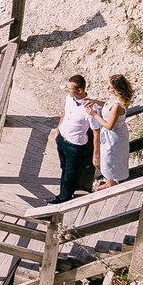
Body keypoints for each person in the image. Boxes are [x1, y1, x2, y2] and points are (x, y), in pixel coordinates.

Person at [55, 75, 98, 203]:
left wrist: (96, 154)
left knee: (70, 172)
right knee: (64, 168)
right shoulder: (69, 98)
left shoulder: (89, 108)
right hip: (62, 139)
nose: (67, 90)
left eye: (70, 88)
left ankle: (63, 199)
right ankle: (63, 192)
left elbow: (96, 131)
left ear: (79, 90)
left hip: (75, 145)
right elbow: (65, 112)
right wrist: (58, 129)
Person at [99, 74, 133, 185]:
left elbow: (109, 125)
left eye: (110, 87)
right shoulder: (117, 100)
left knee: (111, 158)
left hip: (114, 135)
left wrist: (94, 114)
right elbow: (107, 107)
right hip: (114, 133)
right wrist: (95, 102)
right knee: (107, 157)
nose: (107, 88)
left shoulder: (118, 105)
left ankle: (111, 182)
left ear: (117, 89)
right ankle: (109, 181)